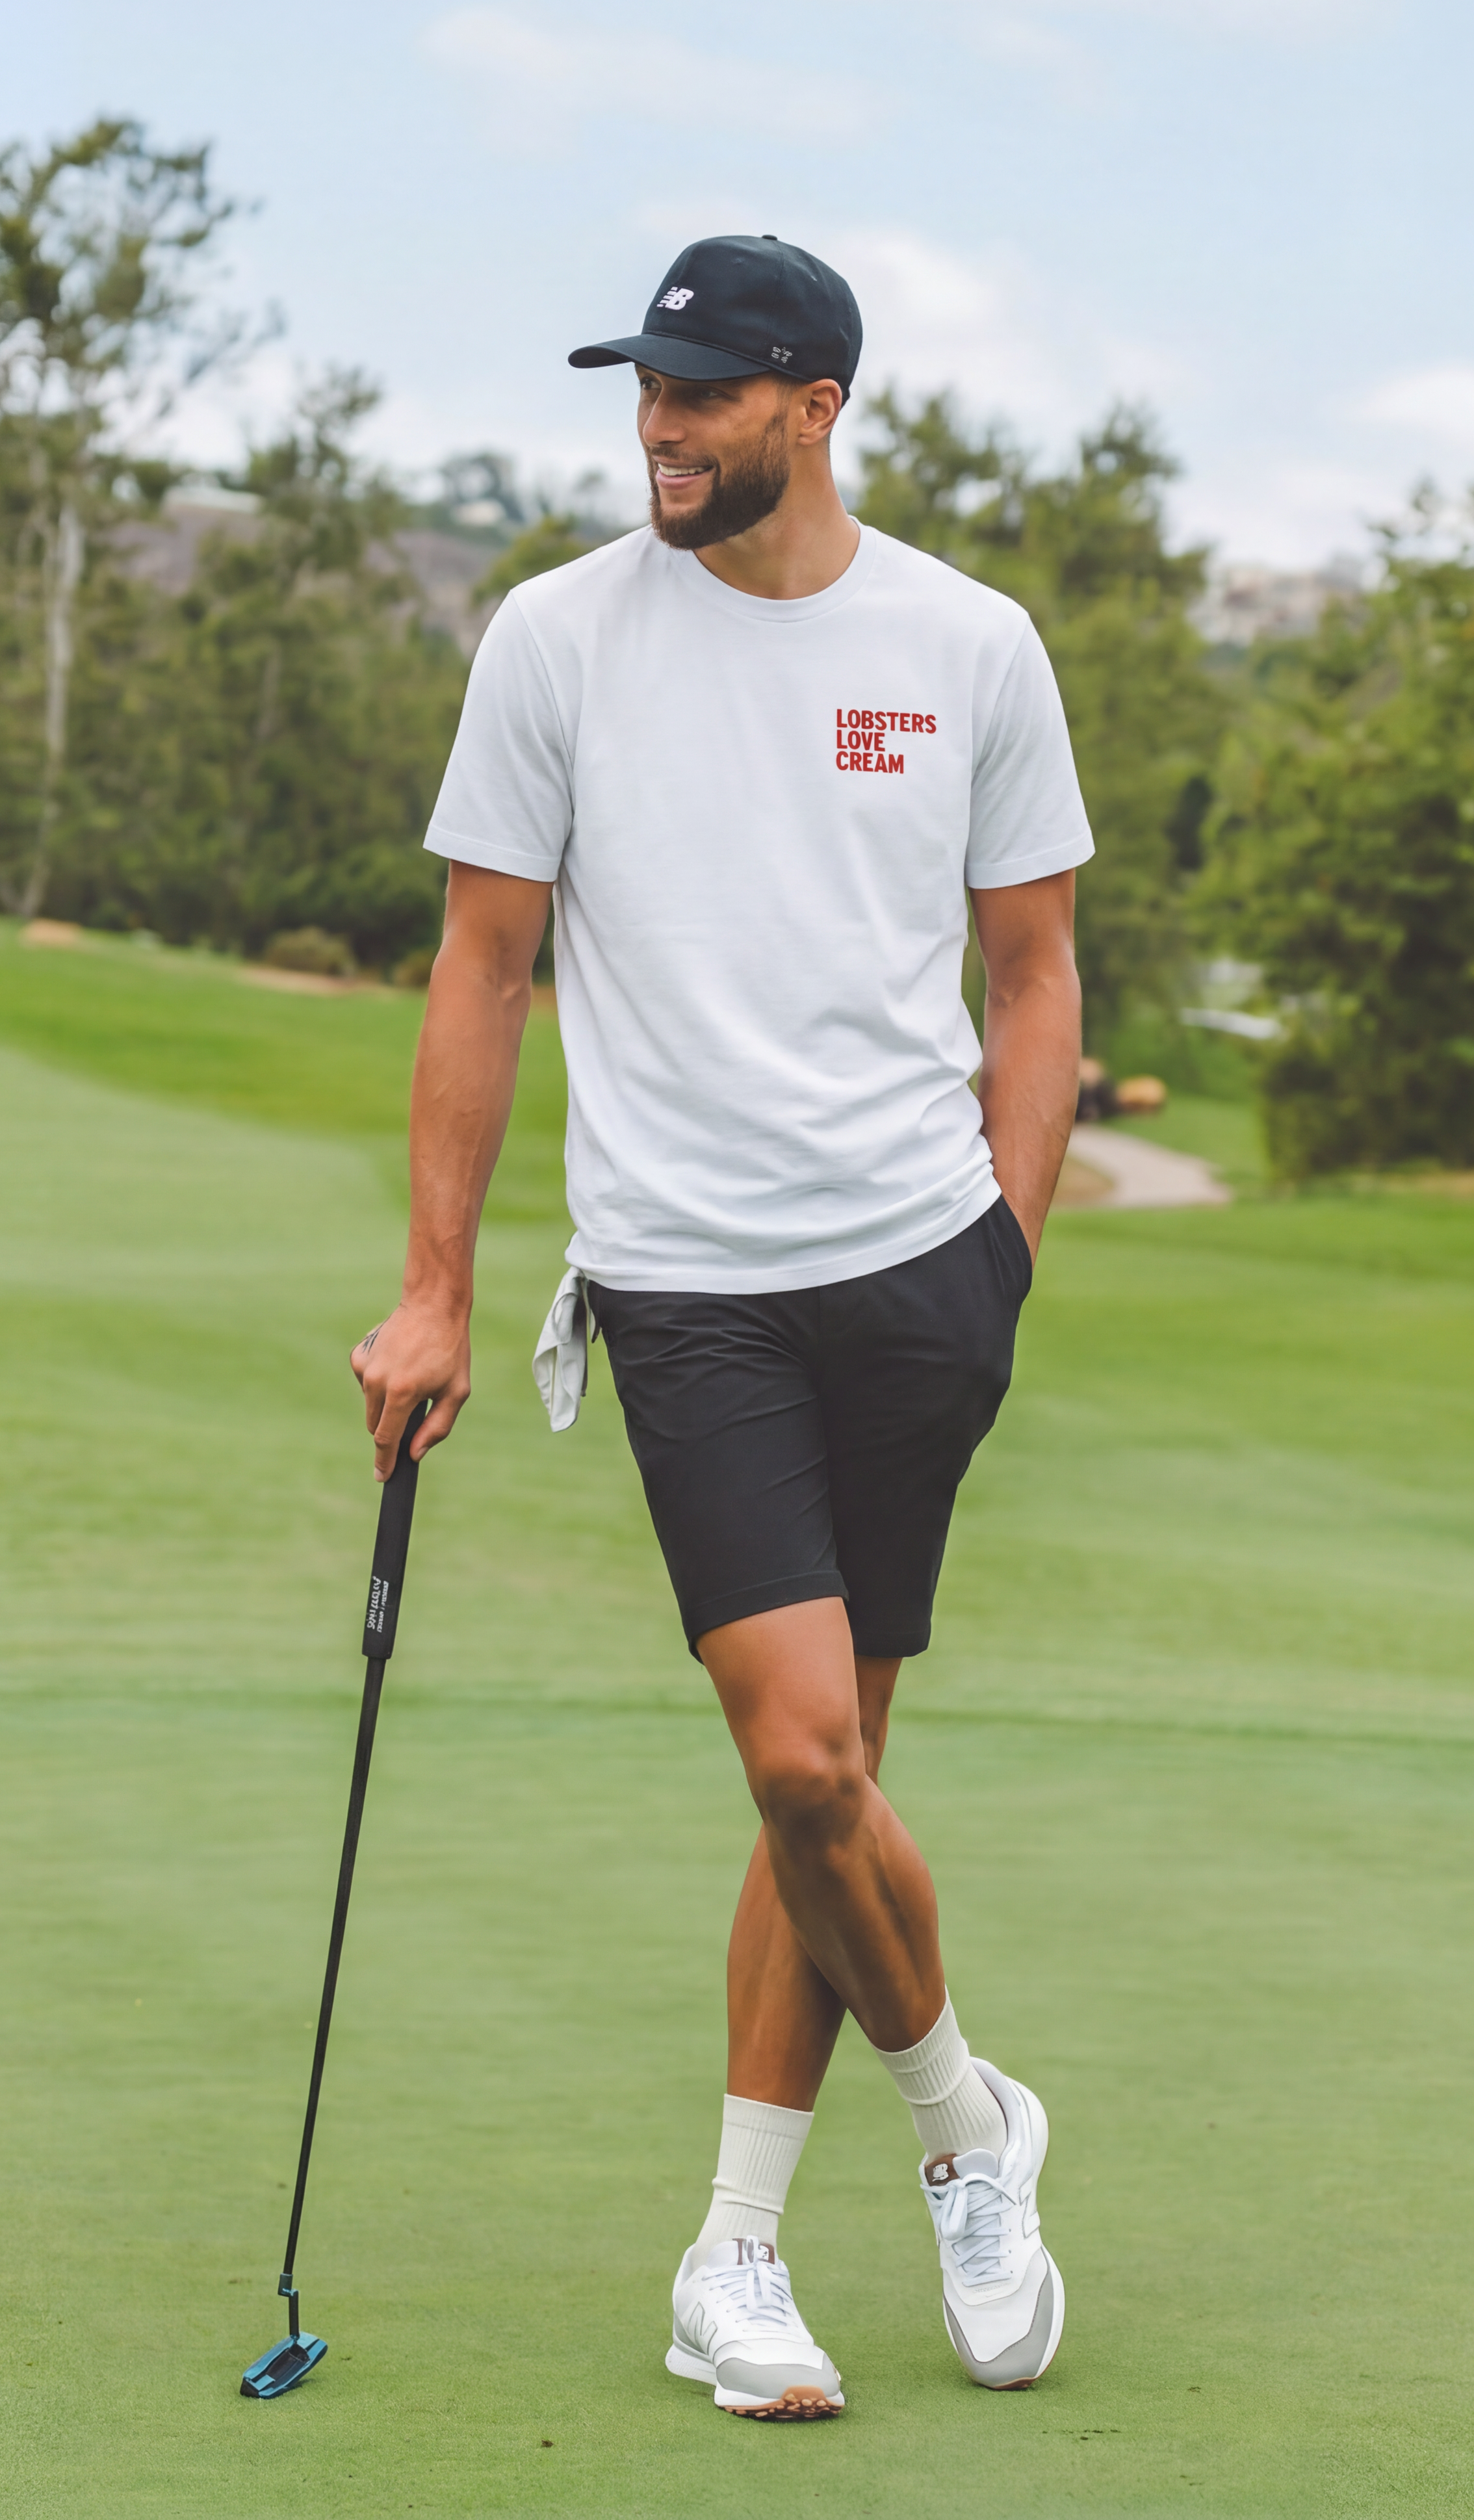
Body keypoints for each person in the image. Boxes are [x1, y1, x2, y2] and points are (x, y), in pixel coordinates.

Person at [350, 234, 1090, 2419]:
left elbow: (1035, 977)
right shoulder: (557, 638)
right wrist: (431, 1286)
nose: (659, 425)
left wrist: (1005, 1257)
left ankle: (739, 2257)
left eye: (701, 390)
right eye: (643, 391)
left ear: (815, 404)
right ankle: (966, 2124)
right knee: (797, 1755)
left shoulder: (969, 645)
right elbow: (481, 970)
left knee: (824, 1794)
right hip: (686, 1283)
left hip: (915, 1274)